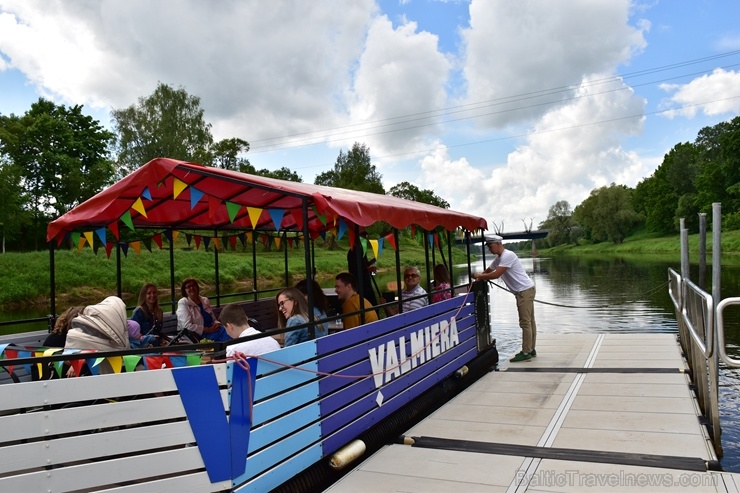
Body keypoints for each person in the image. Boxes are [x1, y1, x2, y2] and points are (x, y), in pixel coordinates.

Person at [472, 234, 537, 362]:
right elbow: (489, 269)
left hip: (524, 292)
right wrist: (479, 277)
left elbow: (496, 274)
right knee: (530, 322)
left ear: (497, 244)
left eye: (490, 246)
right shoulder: (500, 258)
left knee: (526, 322)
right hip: (524, 290)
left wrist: (478, 275)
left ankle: (526, 351)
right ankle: (531, 349)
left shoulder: (508, 255)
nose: (489, 249)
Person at [37, 306, 85, 379]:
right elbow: (67, 360)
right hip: (48, 372)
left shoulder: (67, 333)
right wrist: (80, 362)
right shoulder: (61, 336)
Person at [347, 242, 379, 307]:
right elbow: (354, 269)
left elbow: (363, 265)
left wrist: (370, 263)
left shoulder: (362, 250)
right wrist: (368, 269)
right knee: (366, 304)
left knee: (373, 304)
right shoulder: (353, 252)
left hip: (366, 282)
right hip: (360, 284)